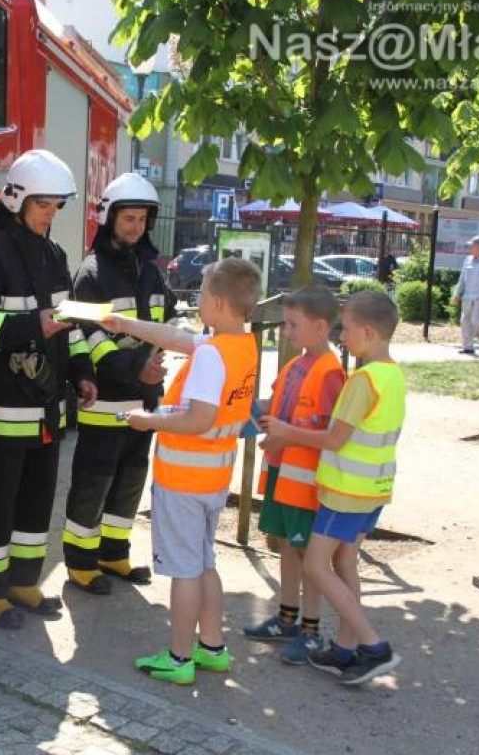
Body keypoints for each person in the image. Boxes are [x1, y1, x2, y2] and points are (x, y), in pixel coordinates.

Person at [103, 257, 261, 686]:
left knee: (184, 570)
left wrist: (147, 420)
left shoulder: (211, 356)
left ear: (221, 303)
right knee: (204, 563)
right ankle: (211, 648)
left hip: (184, 479)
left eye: (204, 297)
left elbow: (197, 420)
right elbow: (176, 337)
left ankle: (178, 656)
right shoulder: (240, 345)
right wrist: (125, 324)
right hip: (213, 477)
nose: (199, 304)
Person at [0, 149, 97, 629]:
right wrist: (33, 324)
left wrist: (83, 371)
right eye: (44, 204)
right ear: (17, 199)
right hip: (2, 411)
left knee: (37, 503)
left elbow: (73, 323)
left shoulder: (55, 256)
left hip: (46, 411)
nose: (50, 214)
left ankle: (22, 581)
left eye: (57, 206)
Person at [261, 291, 405, 685]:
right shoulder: (392, 375)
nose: (343, 338)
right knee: (344, 564)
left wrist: (287, 432)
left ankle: (373, 645)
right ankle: (344, 648)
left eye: (348, 330)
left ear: (369, 331)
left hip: (346, 492)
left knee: (315, 564)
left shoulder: (361, 380)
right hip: (372, 489)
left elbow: (334, 439)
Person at [63, 173, 173, 595]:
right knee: (94, 480)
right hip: (107, 398)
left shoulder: (150, 271)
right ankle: (79, 561)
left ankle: (113, 552)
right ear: (109, 217)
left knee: (130, 479)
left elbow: (162, 322)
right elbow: (91, 339)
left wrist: (155, 366)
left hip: (144, 400)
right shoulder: (91, 273)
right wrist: (135, 370)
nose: (135, 227)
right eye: (128, 219)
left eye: (142, 220)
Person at [243, 286, 346, 665]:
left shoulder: (332, 373)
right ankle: (287, 618)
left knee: (306, 554)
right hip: (281, 474)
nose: (286, 332)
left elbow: (335, 434)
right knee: (286, 544)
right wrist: (244, 409)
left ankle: (312, 631)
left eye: (292, 324)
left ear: (320, 328)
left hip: (306, 483)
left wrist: (285, 434)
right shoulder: (293, 364)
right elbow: (276, 405)